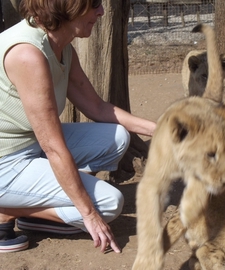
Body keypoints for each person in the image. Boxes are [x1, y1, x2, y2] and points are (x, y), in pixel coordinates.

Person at [0, 0, 156, 253]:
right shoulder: (27, 54)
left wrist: (161, 130)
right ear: (68, 6)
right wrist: (88, 211)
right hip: (6, 163)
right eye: (94, 4)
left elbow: (97, 108)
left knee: (116, 137)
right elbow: (53, 146)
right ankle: (7, 210)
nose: (101, 12)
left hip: (30, 145)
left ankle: (39, 207)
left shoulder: (61, 46)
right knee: (108, 204)